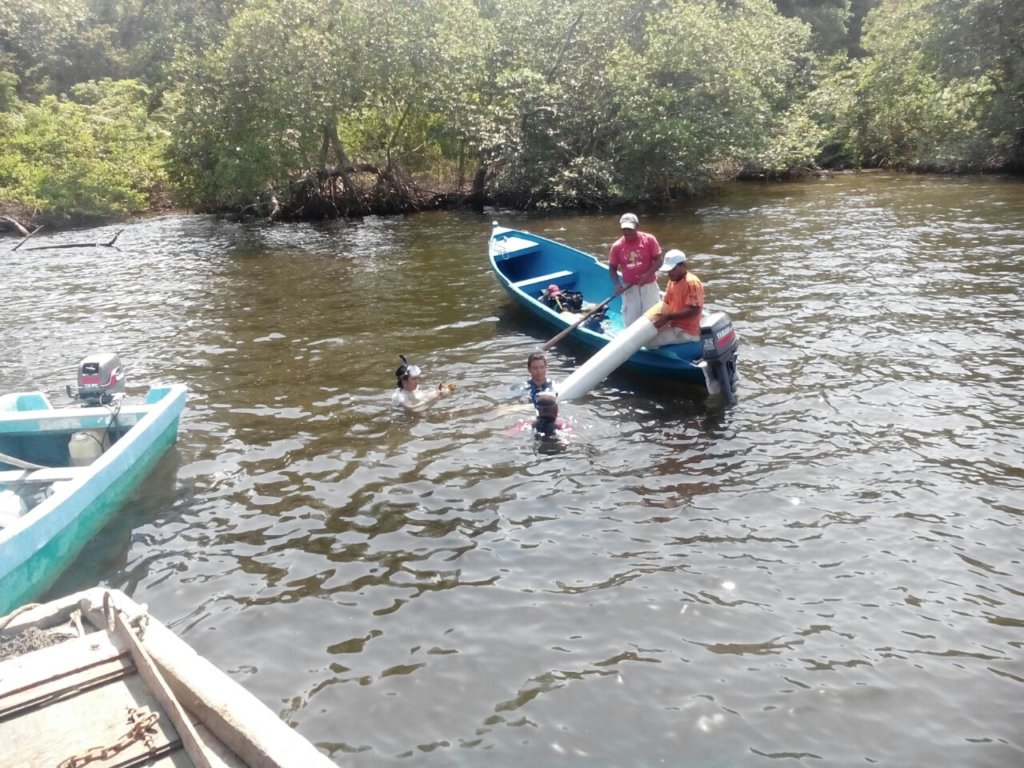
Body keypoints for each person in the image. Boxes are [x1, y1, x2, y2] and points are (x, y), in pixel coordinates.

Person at [608, 212, 663, 327]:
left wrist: (647, 274)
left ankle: (654, 341)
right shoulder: (617, 246)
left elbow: (659, 260)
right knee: (631, 320)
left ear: (637, 227)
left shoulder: (649, 240)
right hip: (629, 287)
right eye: (625, 229)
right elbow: (612, 268)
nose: (627, 232)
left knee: (653, 316)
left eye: (630, 229)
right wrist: (617, 285)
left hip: (648, 285)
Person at [648, 249, 704, 347]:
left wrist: (669, 317)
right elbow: (666, 303)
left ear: (682, 266)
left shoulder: (692, 283)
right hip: (673, 324)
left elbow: (694, 310)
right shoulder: (672, 281)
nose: (669, 273)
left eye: (672, 269)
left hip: (686, 331)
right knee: (647, 335)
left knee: (649, 342)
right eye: (668, 270)